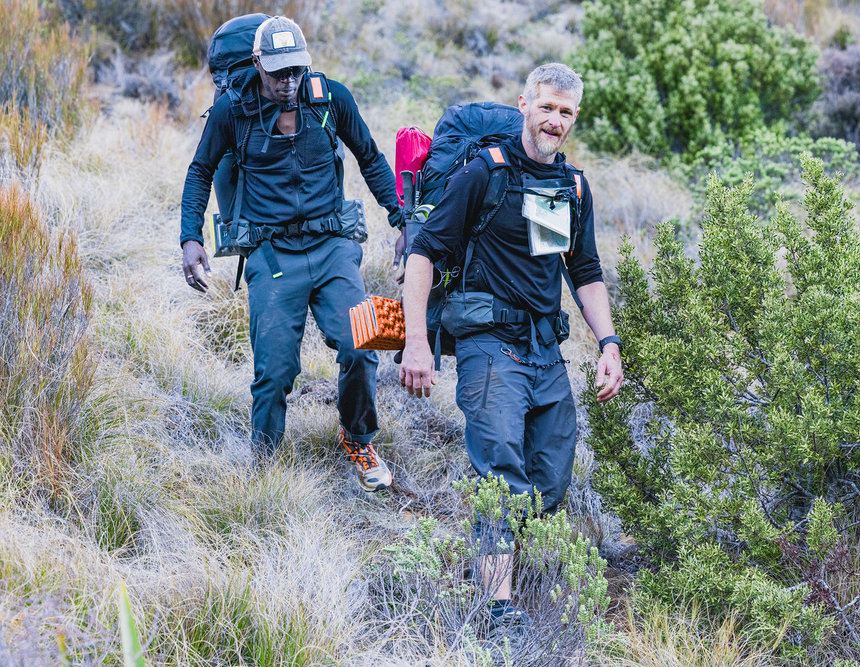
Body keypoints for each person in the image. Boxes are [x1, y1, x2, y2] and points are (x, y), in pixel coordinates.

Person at [399, 63, 623, 625]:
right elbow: (423, 253)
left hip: (545, 351)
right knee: (500, 473)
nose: (555, 121)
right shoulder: (485, 173)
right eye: (546, 107)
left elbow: (585, 269)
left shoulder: (570, 187)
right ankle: (497, 606)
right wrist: (417, 342)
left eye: (566, 112)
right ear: (524, 104)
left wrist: (609, 344)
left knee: (551, 477)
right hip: (489, 348)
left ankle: (501, 565)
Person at [180, 16, 402, 490]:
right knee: (274, 371)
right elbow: (200, 172)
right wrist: (190, 238)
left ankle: (359, 438)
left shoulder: (331, 98)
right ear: (257, 63)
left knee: (365, 345)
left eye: (296, 71)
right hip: (271, 253)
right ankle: (265, 467)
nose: (288, 83)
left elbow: (372, 158)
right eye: (278, 72)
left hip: (332, 247)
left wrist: (403, 221)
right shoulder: (232, 112)